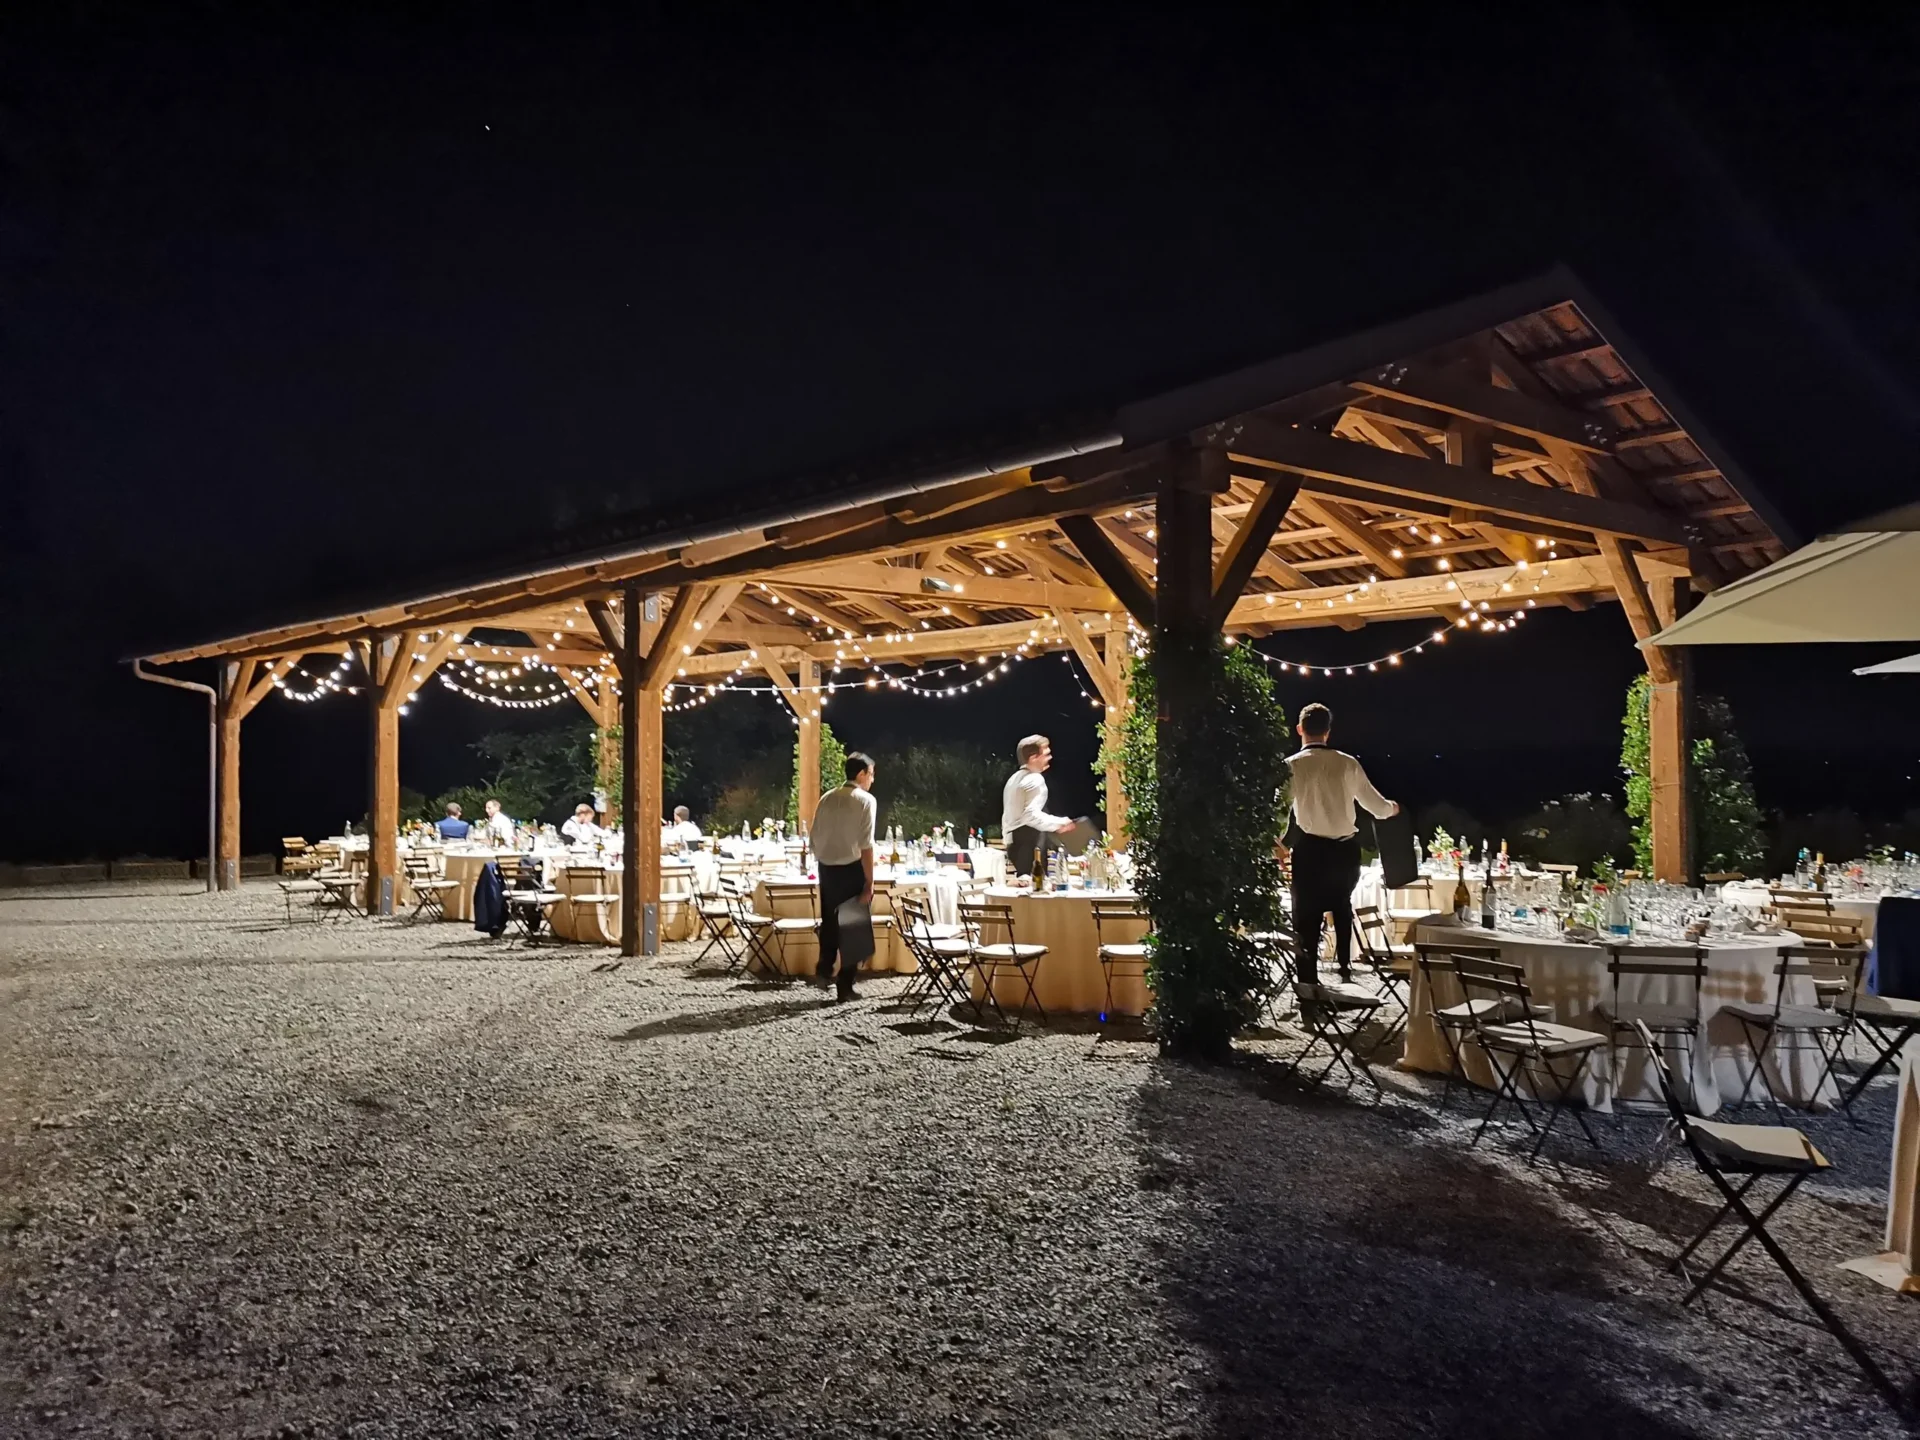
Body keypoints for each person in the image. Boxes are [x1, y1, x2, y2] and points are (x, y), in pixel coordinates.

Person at [1285, 702, 1398, 989]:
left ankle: (1308, 987)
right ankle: (1345, 972)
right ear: (1328, 732)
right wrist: (1393, 808)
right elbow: (1376, 806)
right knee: (1341, 904)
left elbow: (1278, 812)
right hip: (1344, 852)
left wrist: (1275, 843)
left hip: (1309, 851)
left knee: (1306, 920)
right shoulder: (1347, 763)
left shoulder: (1291, 766)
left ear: (1299, 729)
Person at [810, 751, 878, 1001]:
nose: (872, 780)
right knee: (852, 929)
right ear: (861, 774)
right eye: (871, 774)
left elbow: (814, 837)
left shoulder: (826, 797)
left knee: (829, 922)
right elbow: (866, 844)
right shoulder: (865, 800)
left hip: (826, 867)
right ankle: (845, 987)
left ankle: (824, 969)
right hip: (851, 868)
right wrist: (869, 882)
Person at [1001, 734, 1075, 879]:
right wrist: (1061, 823)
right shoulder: (1034, 779)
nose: (1050, 757)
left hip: (1014, 843)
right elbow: (1030, 815)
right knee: (1036, 885)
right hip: (1029, 843)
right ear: (1033, 757)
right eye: (1046, 754)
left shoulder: (1013, 780)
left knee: (1027, 883)